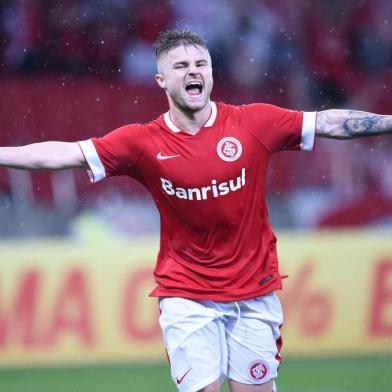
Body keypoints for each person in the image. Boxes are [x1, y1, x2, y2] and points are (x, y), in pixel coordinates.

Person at [0, 29, 391, 392]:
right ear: (162, 81)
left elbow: (327, 123)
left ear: (211, 74)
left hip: (254, 292)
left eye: (200, 64)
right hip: (187, 296)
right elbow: (62, 154)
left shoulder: (253, 122)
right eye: (181, 66)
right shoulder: (142, 142)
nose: (193, 72)